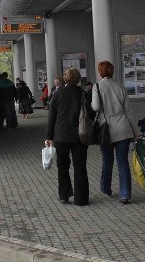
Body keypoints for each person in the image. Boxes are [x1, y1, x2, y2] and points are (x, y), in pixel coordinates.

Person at [91, 61, 138, 204]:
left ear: (100, 72)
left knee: (107, 160)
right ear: (112, 71)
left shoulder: (97, 86)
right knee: (123, 161)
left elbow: (96, 107)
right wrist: (136, 131)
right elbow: (129, 112)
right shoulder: (120, 86)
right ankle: (125, 194)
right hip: (123, 128)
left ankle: (106, 188)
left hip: (106, 129)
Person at [45, 68, 91, 206]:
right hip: (80, 136)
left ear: (65, 79)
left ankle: (64, 195)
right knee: (80, 167)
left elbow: (51, 116)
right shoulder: (83, 94)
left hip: (61, 136)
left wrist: (49, 136)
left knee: (62, 166)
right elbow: (90, 113)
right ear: (78, 79)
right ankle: (81, 199)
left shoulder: (57, 94)